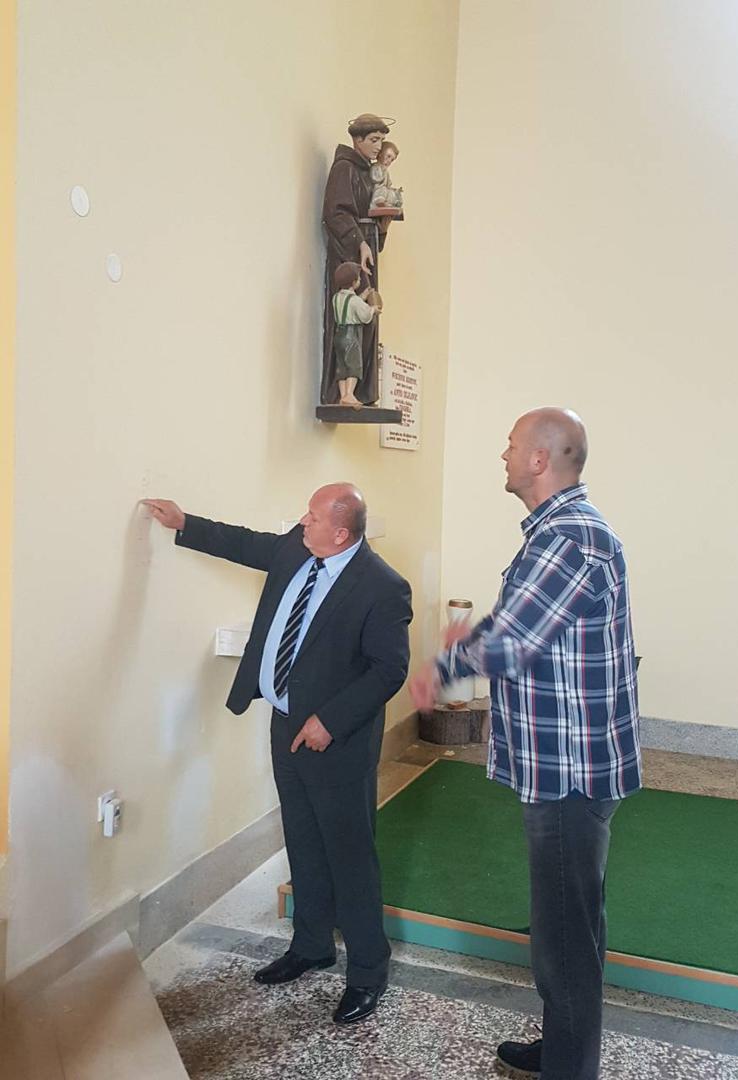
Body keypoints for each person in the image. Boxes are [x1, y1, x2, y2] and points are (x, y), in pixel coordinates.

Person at [409, 409, 642, 1080]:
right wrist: (471, 642)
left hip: (570, 771)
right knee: (566, 924)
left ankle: (569, 1067)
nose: (504, 455)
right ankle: (565, 1046)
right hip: (564, 764)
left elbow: (511, 644)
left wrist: (446, 664)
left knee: (565, 934)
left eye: (512, 446)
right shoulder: (560, 533)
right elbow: (518, 622)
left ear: (540, 460)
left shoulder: (569, 538)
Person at [143, 484, 412, 1025]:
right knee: (303, 840)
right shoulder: (298, 547)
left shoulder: (382, 587)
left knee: (350, 856)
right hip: (286, 725)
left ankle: (367, 971)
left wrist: (328, 721)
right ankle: (311, 945)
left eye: (312, 517)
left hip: (335, 740)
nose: (301, 522)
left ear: (341, 533)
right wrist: (185, 522)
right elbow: (249, 544)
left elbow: (389, 670)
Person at [321, 113, 391, 406]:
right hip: (350, 253)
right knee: (351, 320)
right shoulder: (344, 169)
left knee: (369, 316)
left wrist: (383, 226)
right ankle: (343, 392)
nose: (378, 146)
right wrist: (360, 241)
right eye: (373, 140)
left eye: (381, 140)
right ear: (357, 139)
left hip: (367, 245)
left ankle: (361, 391)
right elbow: (336, 213)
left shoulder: (370, 172)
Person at [332, 261, 382, 408]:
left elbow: (350, 305)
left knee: (342, 366)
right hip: (351, 335)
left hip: (339, 335)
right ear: (353, 282)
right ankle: (349, 394)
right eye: (359, 278)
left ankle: (343, 395)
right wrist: (372, 309)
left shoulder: (336, 298)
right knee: (353, 365)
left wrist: (362, 296)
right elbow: (364, 315)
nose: (360, 280)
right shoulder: (354, 300)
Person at [371, 141, 403, 209]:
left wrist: (395, 190)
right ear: (380, 154)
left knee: (391, 193)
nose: (389, 161)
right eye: (388, 156)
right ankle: (378, 202)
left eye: (392, 160)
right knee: (382, 190)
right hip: (377, 190)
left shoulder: (385, 171)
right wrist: (382, 173)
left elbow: (388, 184)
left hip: (384, 191)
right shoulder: (376, 167)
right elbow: (375, 178)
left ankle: (393, 203)